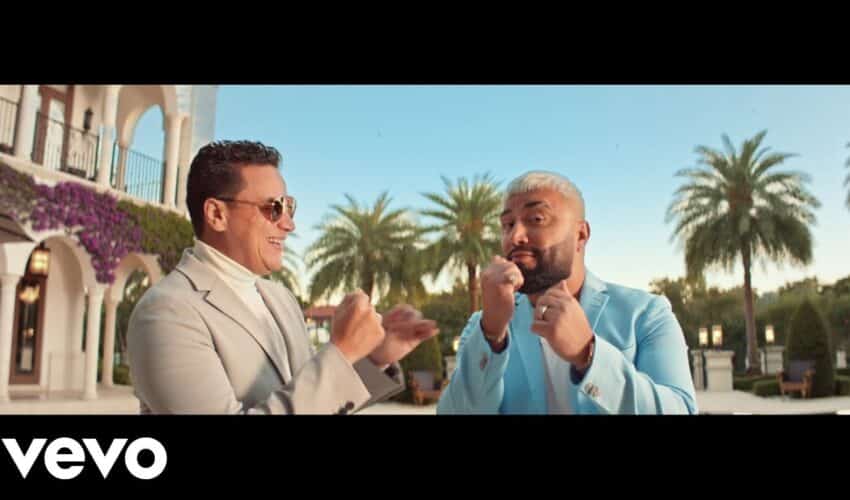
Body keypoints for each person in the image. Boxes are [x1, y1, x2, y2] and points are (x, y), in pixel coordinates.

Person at [127, 140, 438, 414]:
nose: (288, 224)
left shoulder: (281, 299)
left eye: (289, 206)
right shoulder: (167, 312)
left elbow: (317, 400)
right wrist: (342, 353)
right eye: (273, 208)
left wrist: (374, 358)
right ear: (217, 214)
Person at [437, 171, 697, 414]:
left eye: (536, 219)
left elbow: (680, 409)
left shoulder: (646, 314)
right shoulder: (483, 327)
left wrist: (588, 354)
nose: (515, 236)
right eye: (507, 224)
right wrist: (492, 335)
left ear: (580, 235)